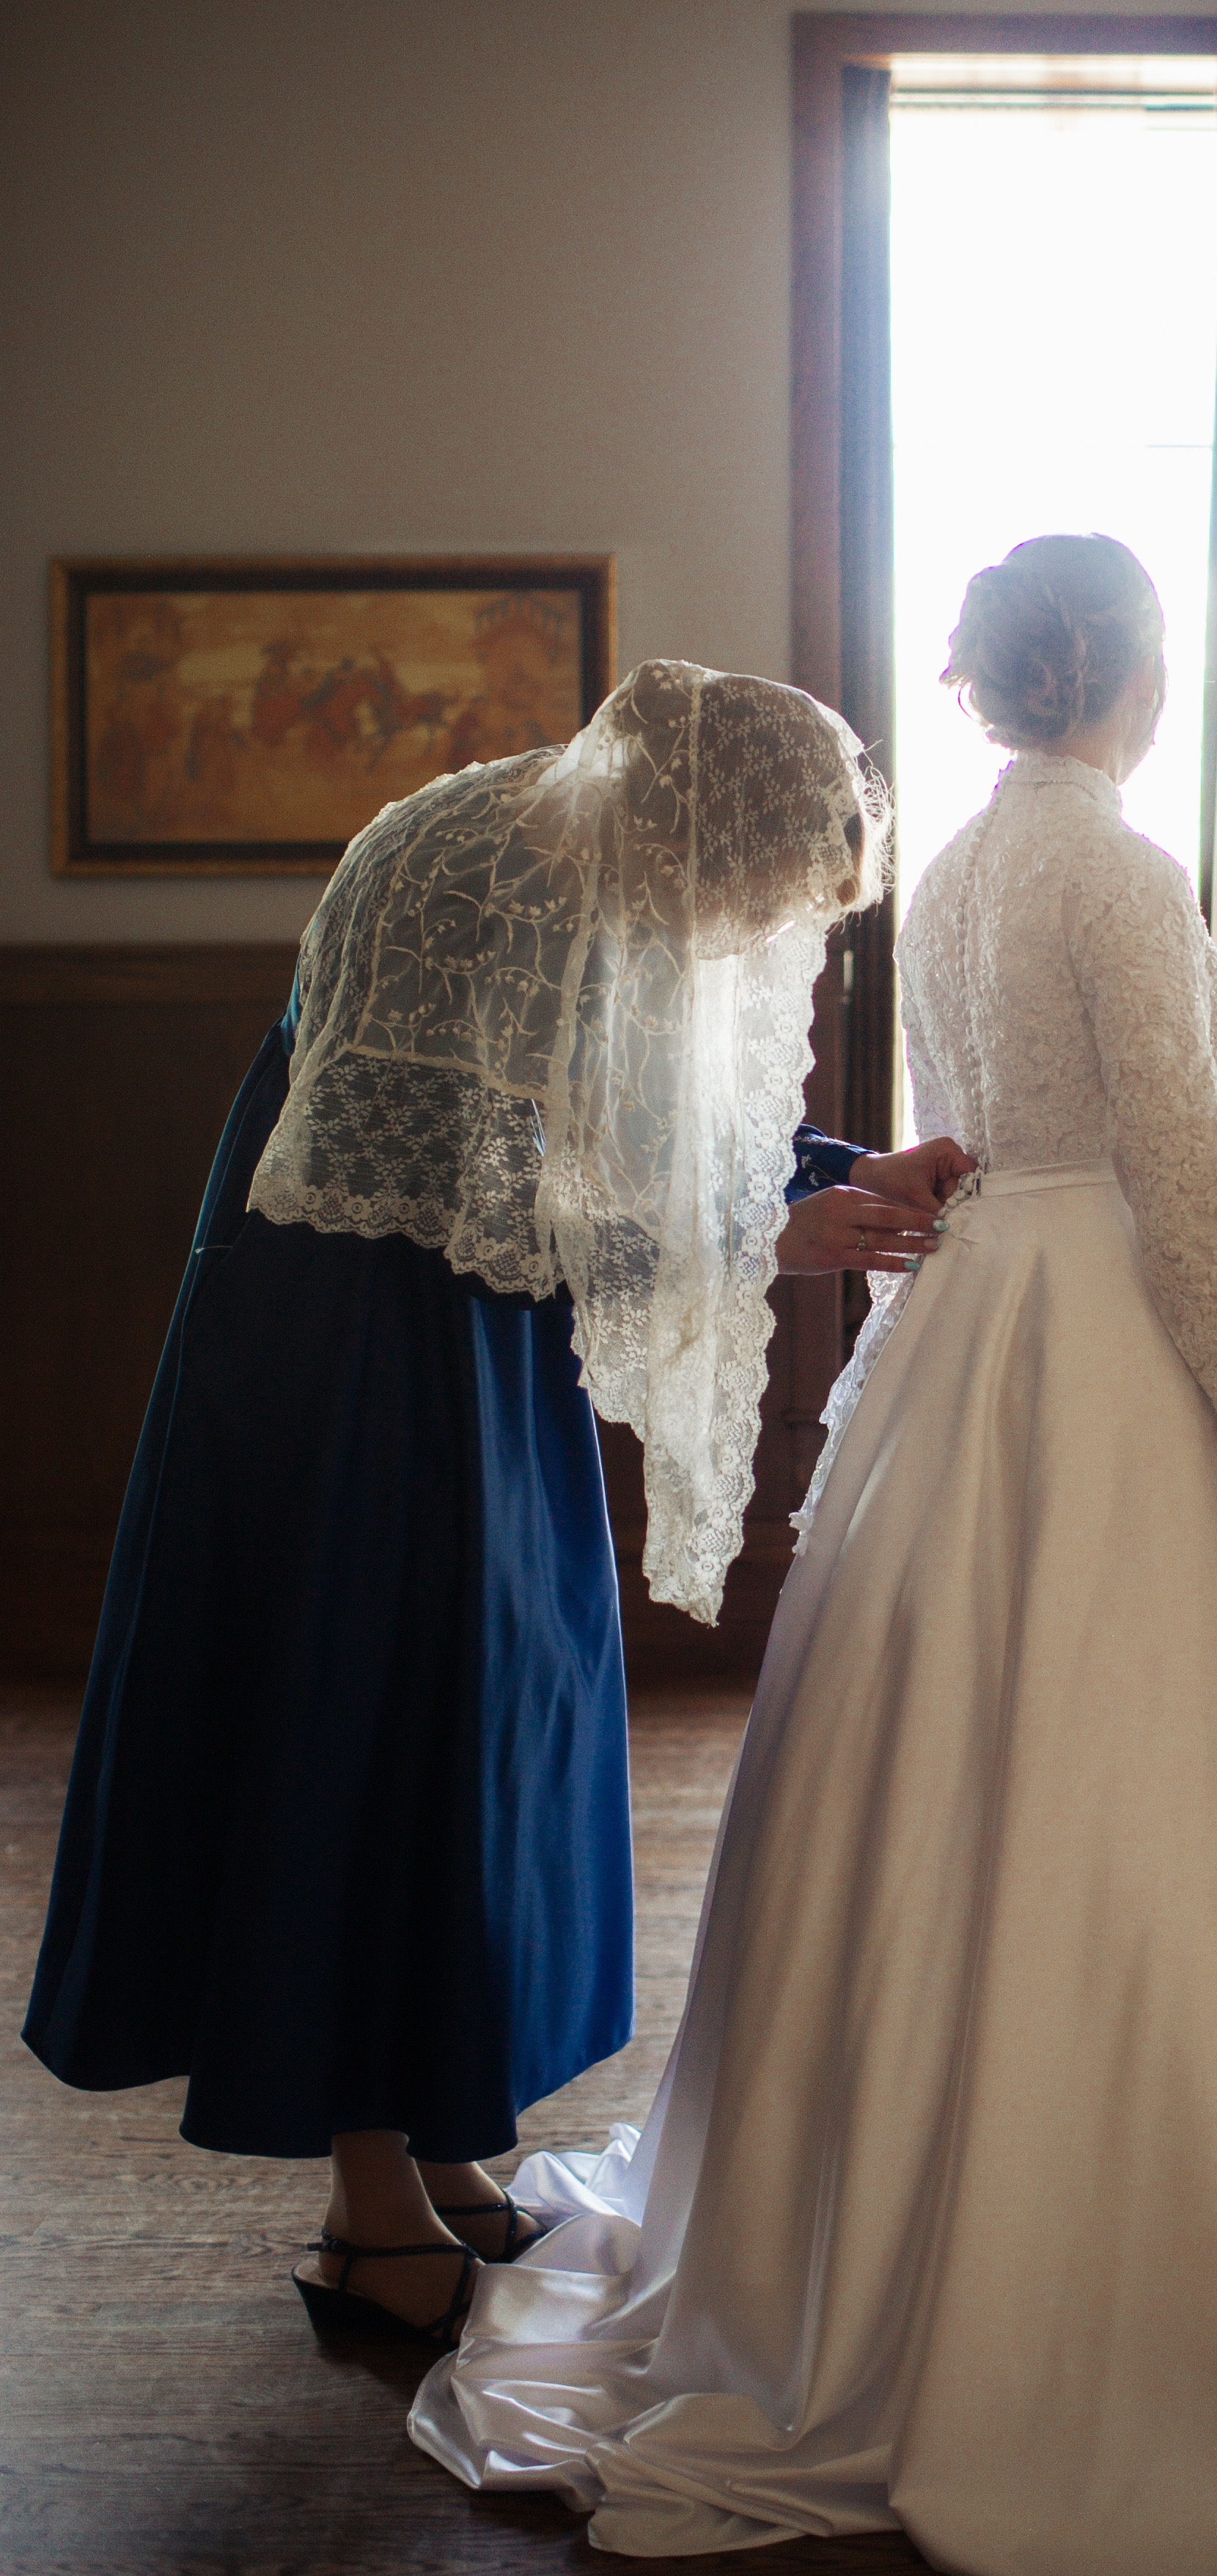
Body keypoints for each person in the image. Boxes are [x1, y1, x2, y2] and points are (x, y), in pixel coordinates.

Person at [412, 540, 1217, 2576]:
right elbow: (1183, 1181)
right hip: (1095, 1328)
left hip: (970, 1327)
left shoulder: (968, 868)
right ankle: (1109, 2302)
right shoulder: (1116, 868)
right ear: (1124, 671)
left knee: (934, 1760)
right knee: (1123, 1766)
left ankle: (870, 2227)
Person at [23, 662, 970, 2345]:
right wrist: (762, 1235)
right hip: (347, 1363)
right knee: (381, 1735)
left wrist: (827, 1177)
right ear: (698, 825)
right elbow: (437, 1178)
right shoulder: (463, 861)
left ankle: (449, 2133)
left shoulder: (597, 849)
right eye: (741, 899)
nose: (733, 938)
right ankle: (364, 2203)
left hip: (476, 1339)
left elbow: (639, 1122)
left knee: (505, 1725)